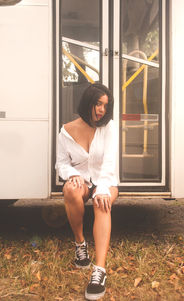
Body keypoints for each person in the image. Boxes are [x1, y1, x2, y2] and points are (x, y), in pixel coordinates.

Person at [55, 83, 118, 300]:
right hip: (82, 180)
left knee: (103, 202)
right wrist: (73, 174)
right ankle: (80, 246)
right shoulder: (66, 131)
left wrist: (101, 189)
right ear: (88, 102)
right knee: (70, 190)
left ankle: (99, 270)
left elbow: (110, 162)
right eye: (98, 104)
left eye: (105, 106)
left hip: (105, 179)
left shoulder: (108, 128)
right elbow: (61, 164)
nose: (101, 110)